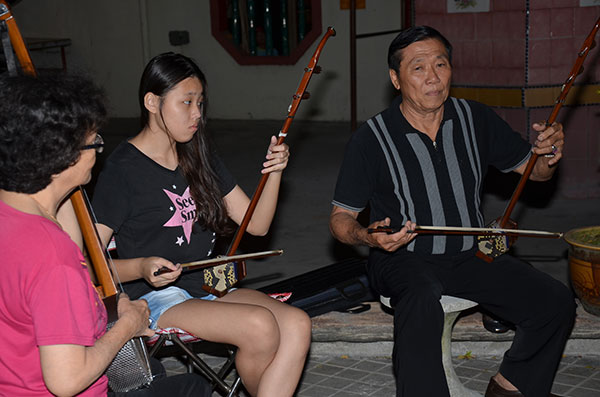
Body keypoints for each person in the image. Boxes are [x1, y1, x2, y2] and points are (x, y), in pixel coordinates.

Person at [329, 26, 575, 397]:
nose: (433, 77)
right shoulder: (371, 138)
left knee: (554, 301)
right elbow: (339, 219)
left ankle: (510, 387)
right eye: (418, 68)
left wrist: (550, 154)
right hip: (402, 258)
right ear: (395, 79)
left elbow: (535, 171)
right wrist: (367, 236)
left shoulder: (474, 118)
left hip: (469, 253)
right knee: (420, 300)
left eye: (440, 64)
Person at [81, 52, 311, 397]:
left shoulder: (198, 153)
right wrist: (141, 266)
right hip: (156, 299)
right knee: (260, 325)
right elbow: (88, 264)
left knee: (297, 323)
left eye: (200, 102)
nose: (197, 114)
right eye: (186, 102)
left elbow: (258, 225)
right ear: (152, 102)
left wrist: (274, 172)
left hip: (207, 287)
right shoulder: (124, 169)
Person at [0, 73, 211, 396]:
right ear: (63, 156)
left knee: (154, 372)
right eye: (95, 142)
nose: (99, 152)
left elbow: (67, 234)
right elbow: (66, 380)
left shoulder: (13, 215)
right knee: (193, 388)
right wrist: (128, 325)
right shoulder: (54, 258)